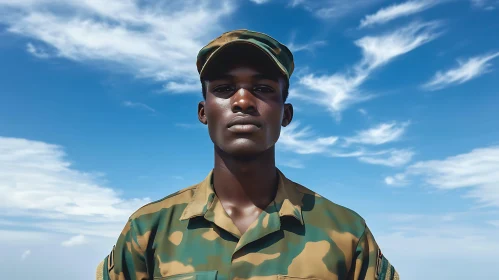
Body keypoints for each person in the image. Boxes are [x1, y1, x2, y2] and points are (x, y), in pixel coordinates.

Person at [96, 29, 399, 280]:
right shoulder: (148, 229)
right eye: (225, 88)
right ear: (204, 112)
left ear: (286, 114)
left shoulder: (346, 233)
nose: (243, 101)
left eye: (264, 88)